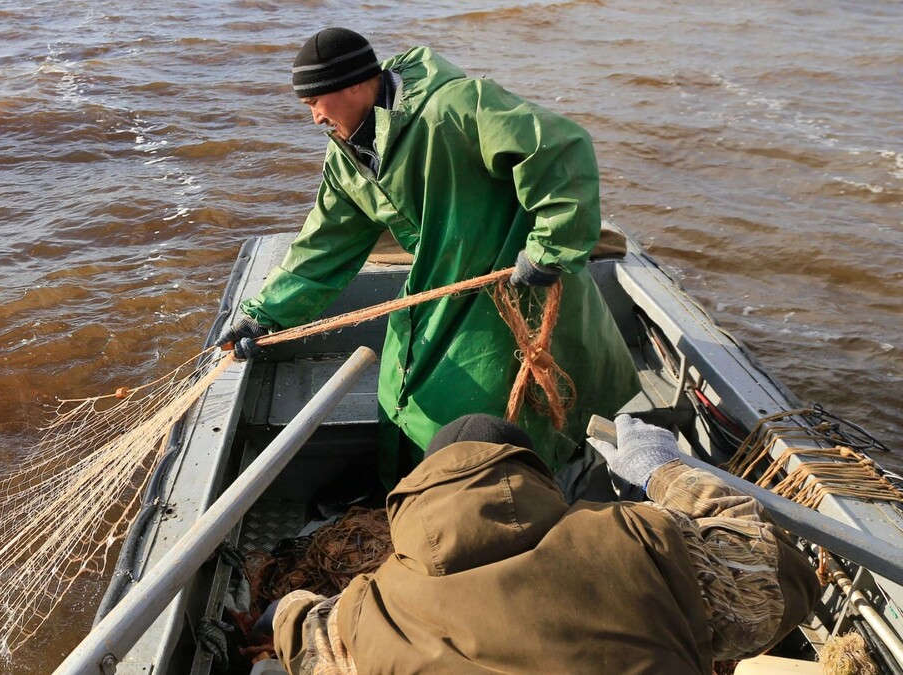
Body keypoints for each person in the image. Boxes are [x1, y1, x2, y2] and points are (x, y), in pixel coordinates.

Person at [215, 27, 640, 486]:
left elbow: (559, 146)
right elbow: (325, 243)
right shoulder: (347, 155)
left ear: (356, 85)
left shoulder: (456, 107)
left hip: (517, 286)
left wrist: (548, 251)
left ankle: (529, 496)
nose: (315, 118)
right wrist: (264, 315)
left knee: (486, 407)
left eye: (315, 103)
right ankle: (411, 494)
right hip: (441, 282)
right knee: (401, 391)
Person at [263, 414, 821, 675]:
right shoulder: (643, 537)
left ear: (413, 498)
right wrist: (663, 470)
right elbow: (782, 586)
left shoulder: (362, 613)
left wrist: (283, 608)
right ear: (536, 481)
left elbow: (298, 631)